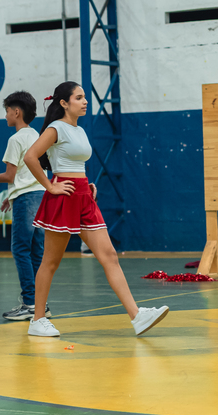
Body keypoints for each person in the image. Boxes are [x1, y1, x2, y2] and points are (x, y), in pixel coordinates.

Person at [21, 82, 170, 338]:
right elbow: (30, 157)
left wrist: (86, 183)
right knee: (50, 262)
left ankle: (137, 316)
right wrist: (50, 186)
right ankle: (38, 320)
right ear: (64, 103)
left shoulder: (79, 130)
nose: (85, 101)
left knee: (109, 255)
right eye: (79, 97)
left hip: (84, 197)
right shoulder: (56, 128)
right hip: (63, 197)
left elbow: (75, 162)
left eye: (84, 97)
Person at [0, 90, 48, 321]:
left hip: (27, 199)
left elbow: (9, 175)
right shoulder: (37, 135)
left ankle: (29, 303)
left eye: (7, 111)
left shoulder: (15, 139)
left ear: (17, 112)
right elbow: (30, 174)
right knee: (36, 251)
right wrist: (12, 195)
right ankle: (40, 305)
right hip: (40, 197)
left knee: (20, 249)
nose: (5, 115)